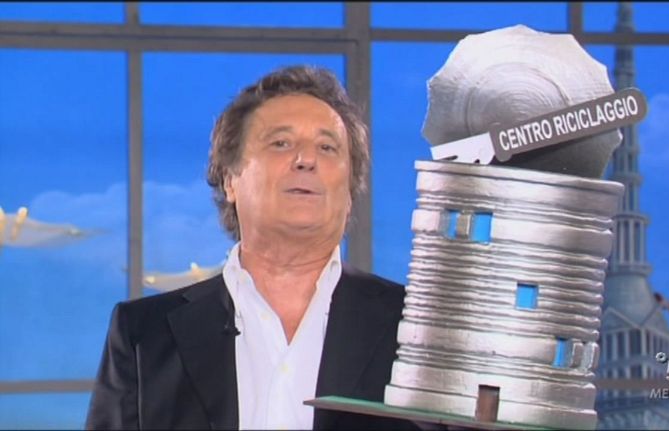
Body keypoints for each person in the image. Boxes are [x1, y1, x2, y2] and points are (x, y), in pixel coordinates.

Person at [86, 65, 419, 430]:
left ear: (351, 193)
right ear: (230, 180)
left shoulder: (416, 329)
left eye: (327, 147)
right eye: (281, 143)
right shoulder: (143, 335)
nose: (306, 160)